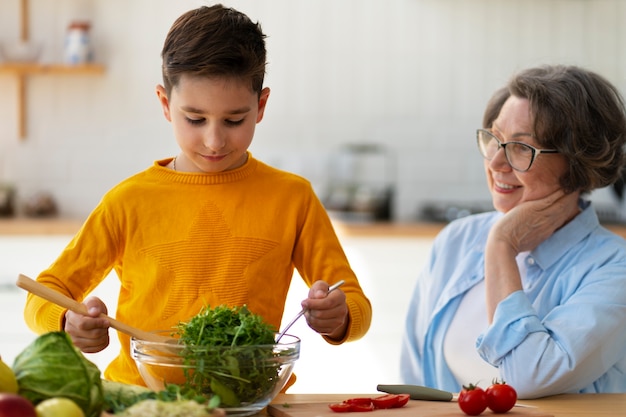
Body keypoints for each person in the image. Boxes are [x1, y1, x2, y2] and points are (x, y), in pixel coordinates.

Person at [23, 4, 372, 387]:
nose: (214, 140)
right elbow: (43, 295)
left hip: (249, 405)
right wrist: (67, 320)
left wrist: (338, 317)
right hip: (140, 403)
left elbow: (354, 302)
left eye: (234, 120)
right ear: (164, 104)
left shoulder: (293, 198)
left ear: (261, 106)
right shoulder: (128, 201)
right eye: (195, 119)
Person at [400, 65, 626, 399]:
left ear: (577, 164)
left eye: (521, 148)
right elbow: (413, 378)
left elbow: (525, 378)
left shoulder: (613, 269)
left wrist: (501, 246)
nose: (495, 163)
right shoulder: (456, 240)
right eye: (494, 138)